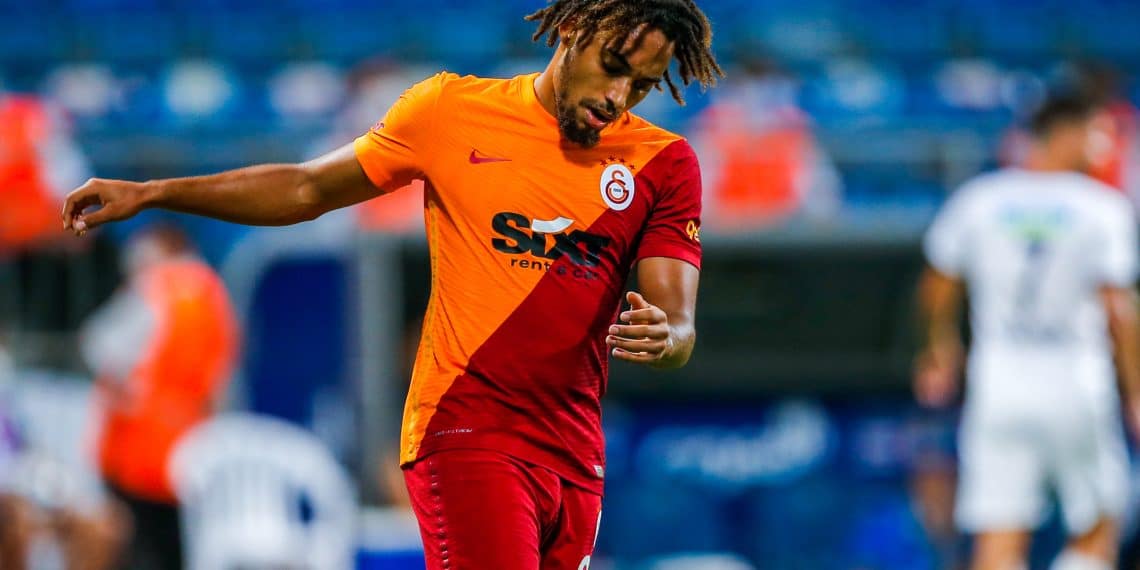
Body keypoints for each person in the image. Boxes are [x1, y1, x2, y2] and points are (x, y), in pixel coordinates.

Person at [61, 1, 722, 568]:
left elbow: (680, 327)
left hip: (576, 456)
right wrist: (155, 192)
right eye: (613, 65)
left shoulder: (664, 163)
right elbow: (307, 186)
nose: (617, 96)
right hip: (466, 431)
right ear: (575, 27)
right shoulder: (450, 111)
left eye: (641, 85)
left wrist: (669, 337)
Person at [914, 93, 1140, 570]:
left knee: (998, 537)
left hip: (999, 385)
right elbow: (1119, 308)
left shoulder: (979, 199)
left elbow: (936, 284)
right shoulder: (1102, 207)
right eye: (1100, 133)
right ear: (1067, 133)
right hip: (1078, 381)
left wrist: (939, 348)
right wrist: (1137, 391)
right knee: (1101, 522)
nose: (1105, 146)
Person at [80, 225, 239, 570]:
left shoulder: (156, 286)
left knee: (135, 550)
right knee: (176, 551)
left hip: (135, 452)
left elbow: (99, 345)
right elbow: (221, 379)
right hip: (190, 452)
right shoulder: (214, 292)